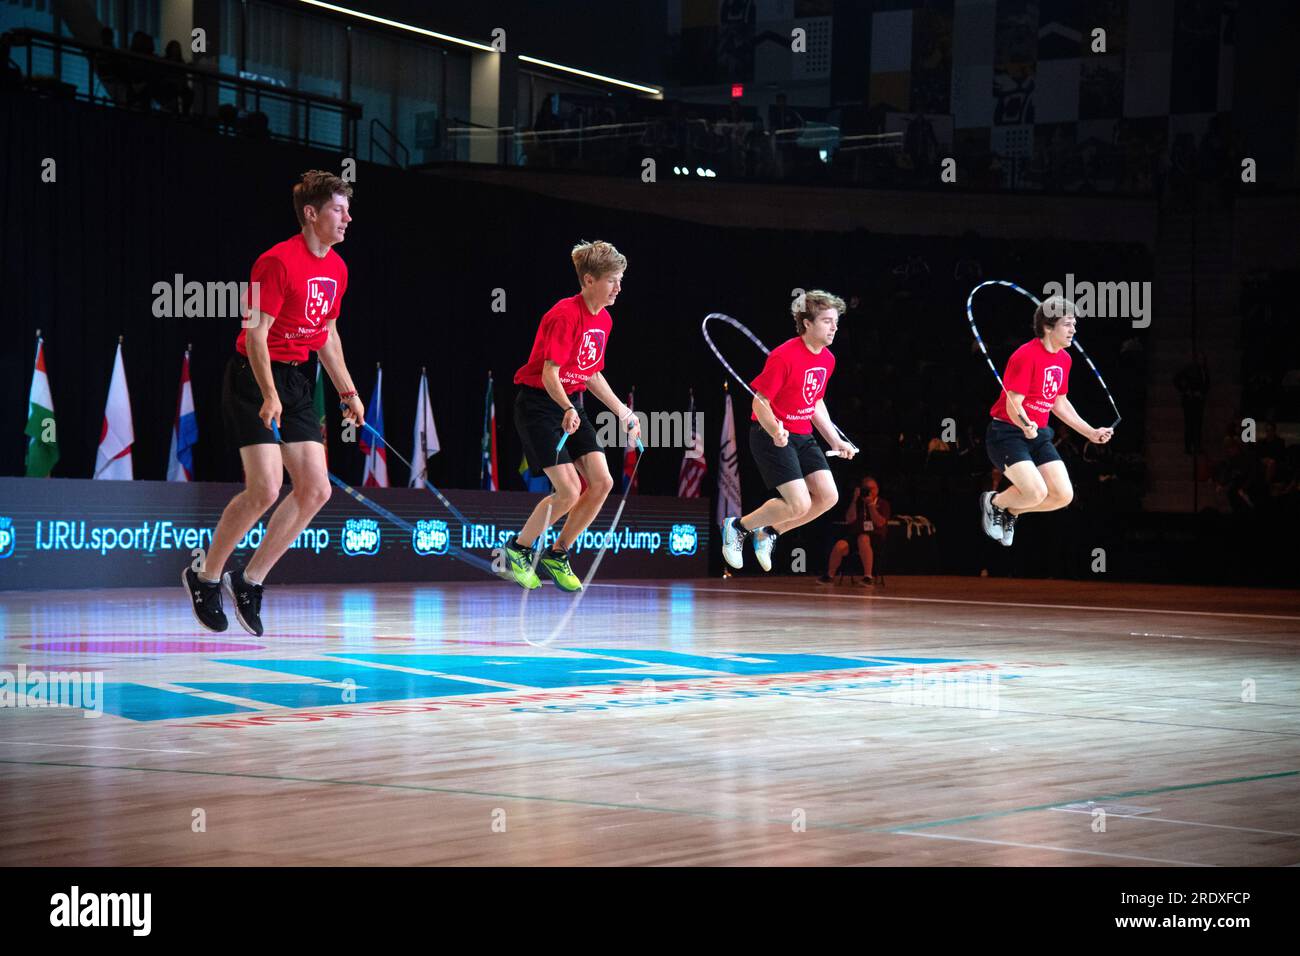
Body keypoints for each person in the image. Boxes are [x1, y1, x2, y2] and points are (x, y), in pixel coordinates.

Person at [183, 170, 363, 636]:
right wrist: (267, 394)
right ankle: (204, 577)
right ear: (311, 213)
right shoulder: (276, 262)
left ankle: (249, 579)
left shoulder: (338, 269)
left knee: (316, 489)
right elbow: (255, 334)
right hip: (252, 376)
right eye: (338, 210)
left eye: (347, 210)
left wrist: (348, 391)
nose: (347, 218)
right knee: (265, 487)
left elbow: (327, 337)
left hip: (296, 380)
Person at [502, 241, 640, 591]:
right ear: (589, 280)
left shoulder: (605, 319)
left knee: (603, 482)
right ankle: (517, 548)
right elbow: (551, 373)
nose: (619, 288)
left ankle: (558, 552)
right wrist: (565, 407)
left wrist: (623, 412)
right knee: (568, 490)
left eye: (621, 279)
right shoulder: (563, 315)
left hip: (571, 404)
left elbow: (591, 374)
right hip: (539, 405)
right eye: (613, 280)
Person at [722, 290, 856, 571]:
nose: (834, 327)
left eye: (835, 321)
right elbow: (760, 402)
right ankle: (738, 526)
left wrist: (835, 439)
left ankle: (770, 532)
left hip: (802, 435)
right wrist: (774, 429)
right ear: (807, 323)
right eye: (827, 321)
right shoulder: (784, 356)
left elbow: (815, 400)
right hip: (769, 434)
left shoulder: (828, 359)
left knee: (829, 497)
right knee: (799, 503)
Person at [979, 296, 1112, 547]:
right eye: (1068, 324)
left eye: (1074, 324)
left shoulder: (1064, 359)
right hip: (1007, 433)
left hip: (1038, 434)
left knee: (1063, 495)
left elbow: (1058, 402)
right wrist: (1024, 423)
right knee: (1036, 492)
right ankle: (994, 502)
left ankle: (1011, 511)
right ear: (1048, 327)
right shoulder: (1025, 356)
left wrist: (1090, 432)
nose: (1074, 329)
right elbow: (1012, 404)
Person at [821, 476, 890, 585]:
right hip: (856, 535)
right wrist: (854, 500)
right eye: (866, 488)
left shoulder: (882, 503)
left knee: (863, 538)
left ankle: (868, 577)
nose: (870, 491)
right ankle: (830, 575)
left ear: (877, 489)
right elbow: (849, 519)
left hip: (875, 537)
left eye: (872, 488)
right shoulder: (857, 502)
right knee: (840, 545)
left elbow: (880, 522)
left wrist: (871, 504)